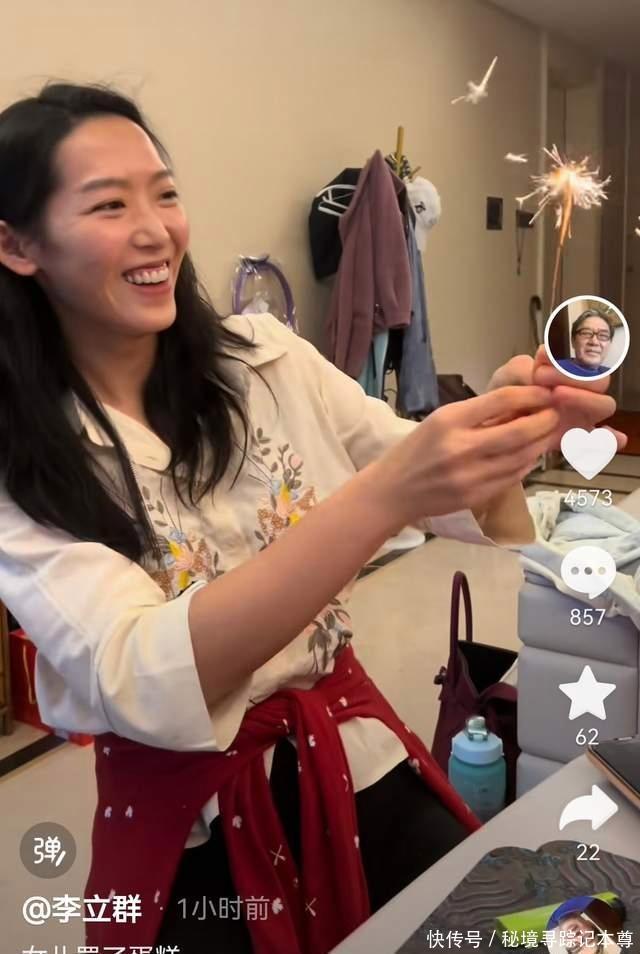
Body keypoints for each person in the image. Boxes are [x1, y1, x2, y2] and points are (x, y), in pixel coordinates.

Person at [0, 82, 626, 954]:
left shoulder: (264, 361)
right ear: (17, 244)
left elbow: (428, 479)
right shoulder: (25, 459)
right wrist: (388, 495)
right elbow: (138, 672)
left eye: (165, 193)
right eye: (109, 205)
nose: (156, 230)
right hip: (191, 825)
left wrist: (505, 424)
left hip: (353, 753)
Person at [556, 309, 616, 377]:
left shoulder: (612, 374)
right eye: (586, 333)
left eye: (603, 335)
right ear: (573, 341)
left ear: (610, 343)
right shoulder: (555, 368)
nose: (594, 342)